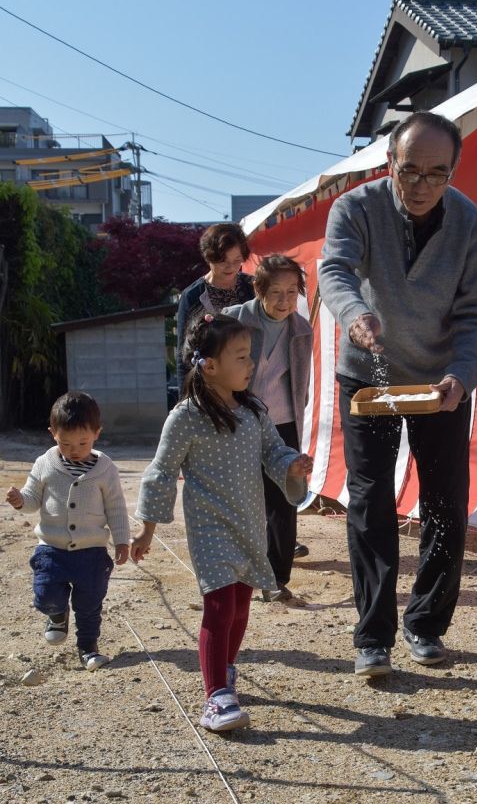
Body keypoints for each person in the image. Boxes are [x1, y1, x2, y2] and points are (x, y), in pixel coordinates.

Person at [319, 111, 477, 678]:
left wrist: (463, 373)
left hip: (440, 378)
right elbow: (336, 271)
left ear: (453, 172)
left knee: (445, 500)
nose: (420, 185)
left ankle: (426, 623)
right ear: (389, 162)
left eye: (436, 174)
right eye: (410, 170)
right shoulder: (355, 207)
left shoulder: (471, 225)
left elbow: (476, 311)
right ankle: (373, 635)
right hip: (367, 370)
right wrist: (353, 313)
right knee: (370, 498)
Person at [130, 313, 312, 732]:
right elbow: (160, 473)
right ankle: (215, 698)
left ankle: (225, 672)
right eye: (243, 357)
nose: (251, 365)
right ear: (209, 365)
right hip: (210, 526)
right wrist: (147, 529)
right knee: (219, 604)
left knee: (242, 604)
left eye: (250, 356)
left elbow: (274, 451)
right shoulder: (185, 417)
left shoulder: (253, 411)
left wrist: (292, 466)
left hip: (250, 522)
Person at [5, 391, 129, 671]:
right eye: (65, 443)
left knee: (89, 604)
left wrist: (122, 541)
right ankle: (57, 613)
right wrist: (20, 500)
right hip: (51, 548)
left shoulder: (105, 469)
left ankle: (88, 647)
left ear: (97, 433)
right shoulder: (44, 463)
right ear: (52, 434)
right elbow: (33, 498)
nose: (74, 449)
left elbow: (117, 508)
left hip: (92, 553)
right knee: (46, 594)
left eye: (83, 443)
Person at [224, 254, 313, 602]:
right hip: (238, 421)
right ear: (259, 289)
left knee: (284, 499)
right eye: (275, 292)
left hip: (282, 423)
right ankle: (236, 569)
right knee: (243, 498)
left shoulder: (301, 328)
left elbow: (300, 379)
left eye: (292, 292)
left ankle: (276, 577)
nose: (284, 301)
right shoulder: (235, 320)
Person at [176, 222, 254, 396]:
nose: (231, 267)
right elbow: (184, 354)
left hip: (250, 383)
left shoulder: (253, 287)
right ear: (208, 257)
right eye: (223, 261)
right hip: (210, 389)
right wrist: (186, 399)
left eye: (237, 261)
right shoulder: (192, 296)